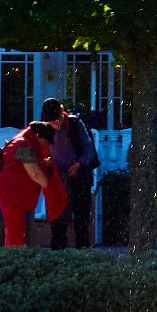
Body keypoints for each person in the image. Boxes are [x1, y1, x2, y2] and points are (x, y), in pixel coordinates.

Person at [0, 120, 68, 248]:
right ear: (38, 136)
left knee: (14, 231)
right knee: (15, 232)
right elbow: (34, 173)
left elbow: (23, 165)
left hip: (11, 191)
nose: (46, 145)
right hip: (11, 193)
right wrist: (52, 189)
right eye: (46, 141)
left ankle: (12, 256)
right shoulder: (23, 145)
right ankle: (14, 258)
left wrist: (44, 164)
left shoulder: (22, 140)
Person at [41, 97, 99, 250]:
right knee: (58, 219)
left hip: (79, 177)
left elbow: (89, 150)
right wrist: (46, 161)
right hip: (58, 180)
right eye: (52, 121)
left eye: (57, 119)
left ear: (62, 111)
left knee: (81, 217)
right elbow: (41, 150)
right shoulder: (44, 128)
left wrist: (79, 164)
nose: (56, 123)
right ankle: (58, 253)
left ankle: (82, 252)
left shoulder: (75, 123)